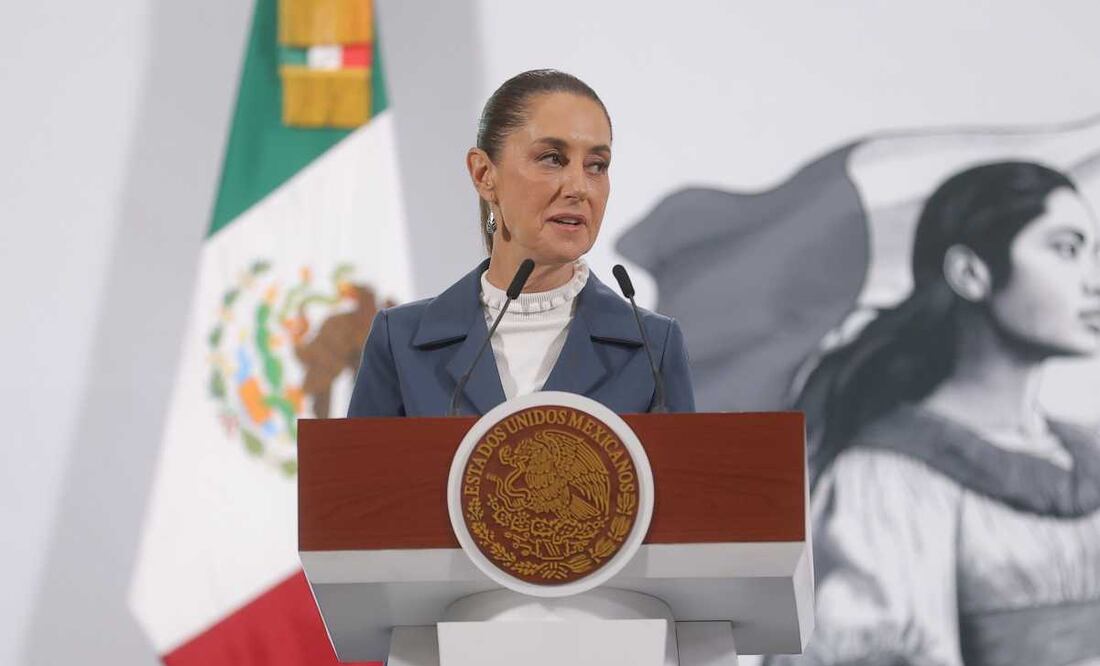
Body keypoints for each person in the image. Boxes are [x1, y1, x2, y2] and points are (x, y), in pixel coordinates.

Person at [771, 162, 1100, 666]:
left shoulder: (1086, 451)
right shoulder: (887, 478)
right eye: (1066, 249)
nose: (1093, 280)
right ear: (972, 273)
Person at [348, 69, 694, 417]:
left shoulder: (652, 348)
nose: (579, 188)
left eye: (596, 165)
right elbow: (360, 472)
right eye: (552, 159)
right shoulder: (401, 343)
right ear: (484, 174)